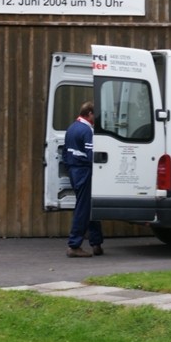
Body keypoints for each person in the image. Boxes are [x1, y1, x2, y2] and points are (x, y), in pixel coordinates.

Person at [63, 100, 104, 257]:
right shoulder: (87, 131)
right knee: (83, 208)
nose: (96, 118)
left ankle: (96, 243)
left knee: (89, 206)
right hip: (84, 171)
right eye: (95, 115)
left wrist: (70, 168)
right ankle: (74, 245)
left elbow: (65, 153)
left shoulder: (72, 128)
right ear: (90, 114)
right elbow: (91, 155)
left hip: (74, 170)